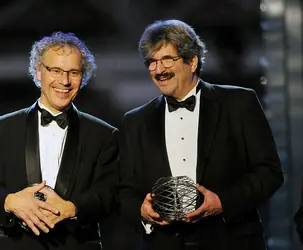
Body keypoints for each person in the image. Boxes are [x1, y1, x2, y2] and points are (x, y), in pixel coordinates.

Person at [118, 19, 284, 250]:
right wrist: (141, 209)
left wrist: (223, 202)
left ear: (192, 61)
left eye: (167, 59)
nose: (158, 70)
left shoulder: (238, 104)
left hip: (230, 241)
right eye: (152, 62)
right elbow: (124, 190)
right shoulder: (135, 121)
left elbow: (269, 173)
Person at [0, 31, 119, 250]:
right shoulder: (3, 128)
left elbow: (110, 194)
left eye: (73, 72)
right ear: (38, 71)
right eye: (56, 70)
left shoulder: (103, 134)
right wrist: (11, 201)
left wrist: (72, 208)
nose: (65, 81)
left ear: (84, 76)